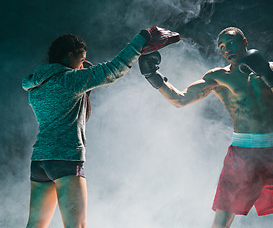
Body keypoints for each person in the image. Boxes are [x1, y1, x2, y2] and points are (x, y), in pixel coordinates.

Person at [138, 27, 273, 228]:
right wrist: (153, 76)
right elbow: (180, 100)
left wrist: (265, 73)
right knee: (222, 222)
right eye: (221, 46)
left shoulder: (269, 67)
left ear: (244, 41)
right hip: (242, 155)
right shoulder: (219, 77)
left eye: (230, 43)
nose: (226, 49)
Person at [22, 26, 177, 228]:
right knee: (77, 226)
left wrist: (83, 81)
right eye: (81, 58)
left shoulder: (35, 86)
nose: (82, 64)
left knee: (35, 225)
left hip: (40, 161)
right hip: (65, 160)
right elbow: (114, 69)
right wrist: (142, 39)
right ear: (70, 55)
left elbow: (66, 109)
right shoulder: (71, 79)